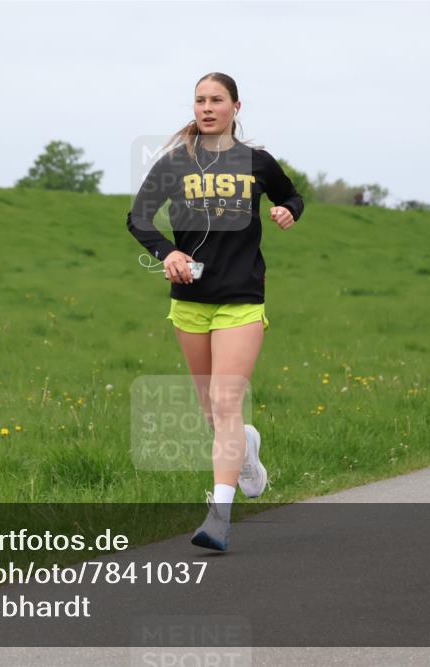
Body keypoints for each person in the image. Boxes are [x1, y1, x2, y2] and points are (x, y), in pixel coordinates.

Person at [126, 72, 304, 551]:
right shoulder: (174, 164)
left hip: (242, 299)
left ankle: (219, 516)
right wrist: (168, 252)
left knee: (225, 402)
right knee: (213, 413)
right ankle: (246, 449)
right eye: (200, 100)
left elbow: (292, 194)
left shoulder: (257, 162)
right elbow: (138, 217)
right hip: (191, 303)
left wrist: (288, 211)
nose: (206, 107)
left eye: (216, 100)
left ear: (235, 107)